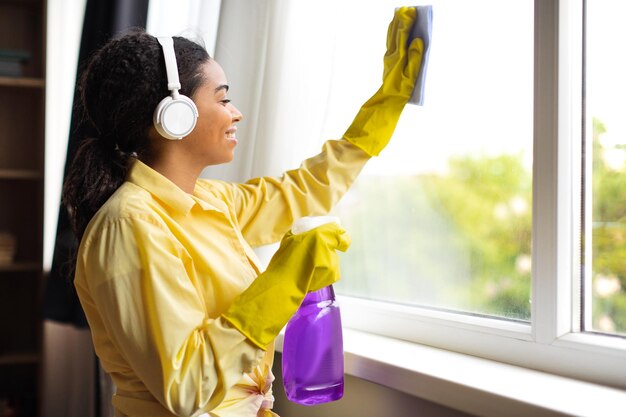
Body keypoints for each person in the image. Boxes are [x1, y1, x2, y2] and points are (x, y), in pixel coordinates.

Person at [63, 7, 423, 417]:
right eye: (223, 98)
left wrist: (385, 105)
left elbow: (304, 191)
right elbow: (186, 388)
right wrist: (281, 281)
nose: (236, 113)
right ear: (175, 114)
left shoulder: (211, 202)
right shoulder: (128, 226)